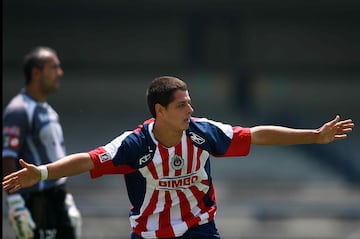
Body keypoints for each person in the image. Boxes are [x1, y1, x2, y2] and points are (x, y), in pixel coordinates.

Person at [3, 76, 354, 239]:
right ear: (160, 110)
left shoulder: (202, 133)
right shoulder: (134, 145)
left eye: (189, 102)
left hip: (200, 230)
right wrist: (43, 173)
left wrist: (314, 136)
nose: (191, 108)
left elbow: (256, 133)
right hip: (150, 235)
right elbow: (87, 160)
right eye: (182, 104)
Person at [2, 46, 82, 239]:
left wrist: (66, 197)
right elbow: (7, 156)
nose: (60, 73)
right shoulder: (19, 110)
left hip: (57, 199)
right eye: (53, 68)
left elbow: (56, 157)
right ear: (36, 73)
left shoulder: (48, 110)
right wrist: (15, 204)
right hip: (37, 203)